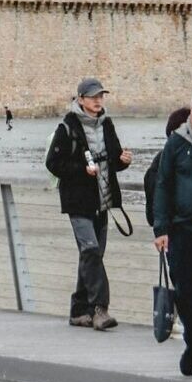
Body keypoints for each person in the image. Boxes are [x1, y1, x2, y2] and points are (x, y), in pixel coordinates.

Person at [46, 75, 131, 331]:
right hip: (78, 203)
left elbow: (113, 160)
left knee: (91, 255)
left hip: (103, 201)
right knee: (92, 251)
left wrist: (123, 161)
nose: (98, 100)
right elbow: (53, 164)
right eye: (93, 97)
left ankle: (77, 311)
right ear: (81, 99)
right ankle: (100, 309)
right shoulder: (67, 128)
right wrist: (82, 169)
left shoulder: (107, 125)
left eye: (100, 96)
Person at [151, 86, 192, 378]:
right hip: (183, 233)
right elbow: (163, 186)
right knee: (186, 295)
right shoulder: (176, 144)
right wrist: (161, 228)